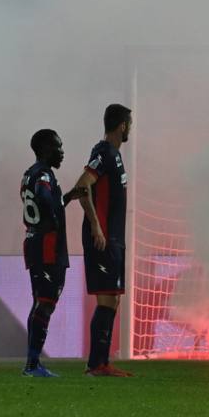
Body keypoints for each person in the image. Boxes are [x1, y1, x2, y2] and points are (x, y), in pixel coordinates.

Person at [71, 104, 134, 377]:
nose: (130, 128)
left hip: (114, 238)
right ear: (122, 125)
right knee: (106, 301)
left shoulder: (115, 156)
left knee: (113, 301)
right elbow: (82, 185)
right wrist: (96, 227)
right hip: (104, 239)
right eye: (129, 123)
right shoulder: (104, 152)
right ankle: (96, 365)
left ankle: (101, 362)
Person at [20, 129, 82, 378]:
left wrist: (67, 197)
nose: (62, 151)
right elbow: (45, 197)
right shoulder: (44, 174)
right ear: (46, 149)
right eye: (58, 146)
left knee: (41, 304)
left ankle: (33, 363)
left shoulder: (28, 174)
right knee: (44, 304)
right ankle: (32, 365)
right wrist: (56, 217)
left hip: (35, 244)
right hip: (48, 247)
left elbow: (43, 201)